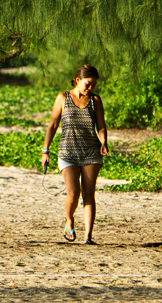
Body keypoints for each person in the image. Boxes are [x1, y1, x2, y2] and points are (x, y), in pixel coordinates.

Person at [42, 64, 110, 245]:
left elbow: (101, 126)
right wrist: (45, 150)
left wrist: (104, 141)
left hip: (91, 152)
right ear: (78, 80)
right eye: (88, 84)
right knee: (73, 193)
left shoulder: (96, 100)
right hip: (68, 151)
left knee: (89, 194)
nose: (90, 88)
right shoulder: (62, 98)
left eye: (93, 84)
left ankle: (88, 236)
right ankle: (69, 219)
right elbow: (52, 125)